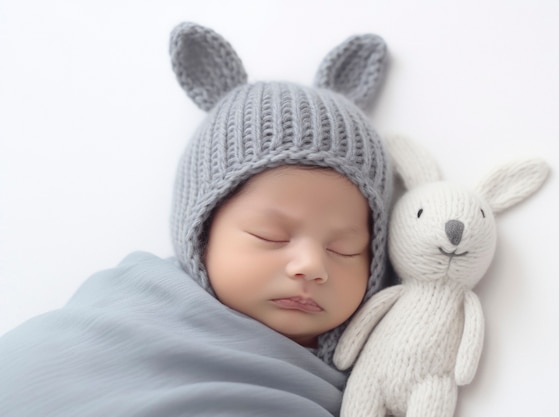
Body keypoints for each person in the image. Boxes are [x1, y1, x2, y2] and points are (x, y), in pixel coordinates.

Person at [0, 22, 394, 417]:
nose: (311, 266)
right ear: (201, 232)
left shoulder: (368, 370)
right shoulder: (126, 311)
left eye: (345, 248)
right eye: (270, 235)